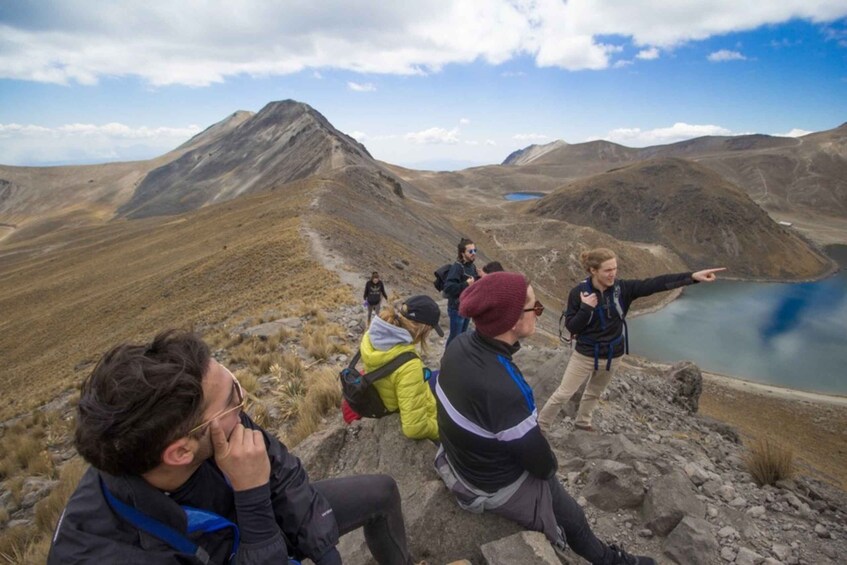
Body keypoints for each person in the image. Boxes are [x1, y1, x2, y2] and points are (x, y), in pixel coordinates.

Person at [48, 330, 415, 565]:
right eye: (232, 398)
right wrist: (252, 498)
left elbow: (285, 476)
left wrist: (324, 552)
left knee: (381, 492)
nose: (244, 400)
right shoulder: (112, 553)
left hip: (252, 529)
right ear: (180, 452)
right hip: (248, 539)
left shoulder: (204, 419)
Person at [434, 272, 656, 565]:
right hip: (489, 483)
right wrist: (551, 466)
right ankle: (610, 560)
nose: (539, 312)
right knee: (571, 513)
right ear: (512, 320)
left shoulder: (461, 344)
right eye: (534, 307)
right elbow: (541, 464)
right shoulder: (506, 388)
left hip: (459, 459)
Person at [538, 248, 725, 431]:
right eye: (608, 270)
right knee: (564, 393)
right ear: (593, 271)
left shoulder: (623, 289)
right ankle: (541, 426)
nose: (613, 274)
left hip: (613, 354)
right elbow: (571, 327)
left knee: (595, 392)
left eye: (615, 268)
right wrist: (586, 308)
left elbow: (655, 284)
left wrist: (693, 277)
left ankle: (583, 423)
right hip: (585, 354)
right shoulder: (579, 293)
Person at [351, 296, 442, 441]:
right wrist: (441, 432)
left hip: (386, 392)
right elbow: (414, 428)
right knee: (440, 379)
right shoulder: (410, 365)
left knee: (435, 376)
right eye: (430, 330)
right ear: (422, 329)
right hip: (397, 404)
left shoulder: (372, 335)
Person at [442, 238, 479, 347]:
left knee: (462, 337)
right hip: (457, 309)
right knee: (455, 337)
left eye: (475, 250)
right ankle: (447, 360)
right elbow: (448, 288)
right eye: (470, 251)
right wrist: (466, 284)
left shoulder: (472, 266)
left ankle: (457, 359)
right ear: (463, 253)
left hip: (467, 308)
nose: (473, 254)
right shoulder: (457, 267)